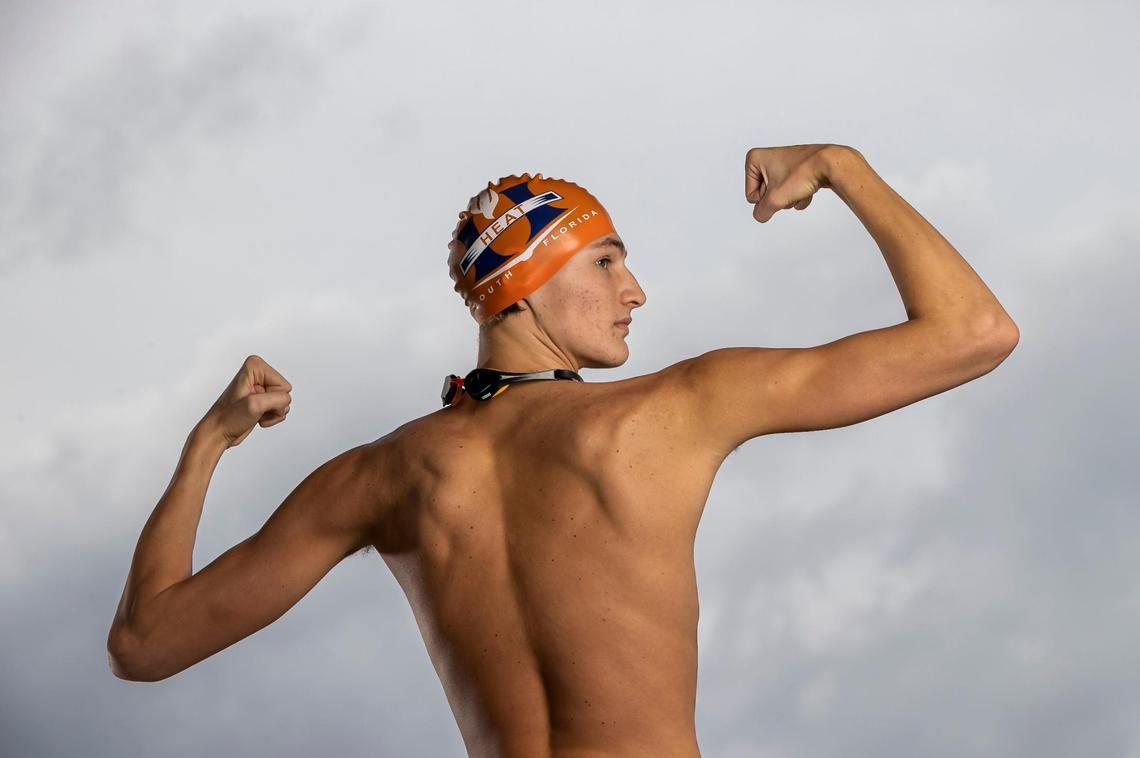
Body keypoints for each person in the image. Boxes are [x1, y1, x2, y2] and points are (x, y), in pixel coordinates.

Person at [107, 144, 1020, 757]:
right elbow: (974, 332)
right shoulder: (672, 409)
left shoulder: (379, 477)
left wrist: (206, 446)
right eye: (606, 262)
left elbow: (145, 644)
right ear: (525, 284)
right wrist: (840, 165)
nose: (637, 291)